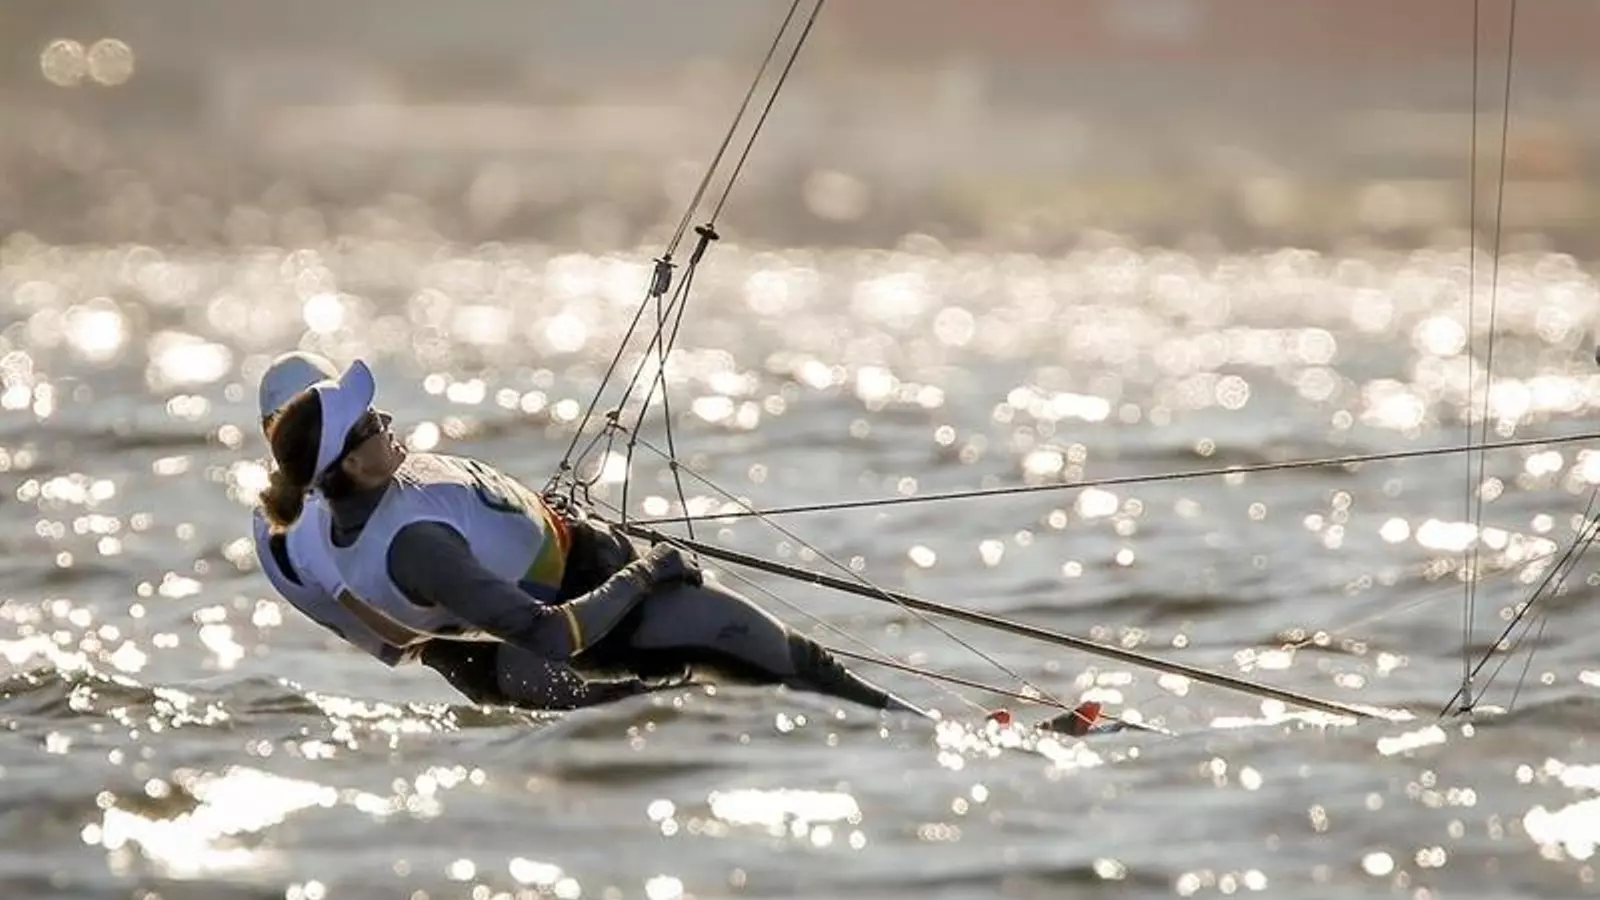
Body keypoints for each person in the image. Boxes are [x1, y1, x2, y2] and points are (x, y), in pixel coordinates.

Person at [255, 357, 933, 716]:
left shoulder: (374, 495)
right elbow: (548, 636)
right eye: (371, 423)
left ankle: (924, 745)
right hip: (601, 612)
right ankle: (944, 747)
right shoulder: (413, 546)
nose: (386, 421)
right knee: (802, 669)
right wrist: (648, 572)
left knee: (759, 694)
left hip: (580, 577)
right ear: (348, 464)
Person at [251, 350, 590, 706]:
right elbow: (394, 632)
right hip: (480, 645)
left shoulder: (304, 503)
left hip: (474, 636)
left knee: (605, 714)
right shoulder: (311, 519)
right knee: (607, 703)